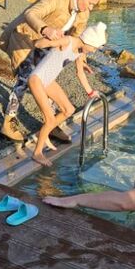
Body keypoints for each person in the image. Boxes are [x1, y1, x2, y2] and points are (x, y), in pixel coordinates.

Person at [0, 0, 102, 142]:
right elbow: (31, 13)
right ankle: (8, 122)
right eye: (90, 3)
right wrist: (45, 29)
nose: (91, 8)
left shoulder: (83, 12)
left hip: (47, 46)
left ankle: (51, 123)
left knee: (46, 80)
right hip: (25, 39)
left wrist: (82, 59)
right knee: (24, 80)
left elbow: (79, 39)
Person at [28, 22, 108, 166]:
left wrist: (90, 92)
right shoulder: (68, 41)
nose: (93, 51)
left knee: (69, 109)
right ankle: (37, 153)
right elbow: (38, 44)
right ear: (88, 41)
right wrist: (53, 39)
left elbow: (80, 73)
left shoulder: (79, 51)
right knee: (50, 119)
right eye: (94, 48)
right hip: (37, 80)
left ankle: (43, 133)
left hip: (48, 81)